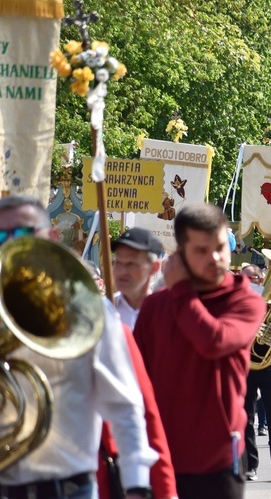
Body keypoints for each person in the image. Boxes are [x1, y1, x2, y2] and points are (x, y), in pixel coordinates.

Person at [0, 195, 157, 499]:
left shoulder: (90, 312)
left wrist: (137, 485)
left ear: (53, 236)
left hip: (70, 489)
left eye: (22, 233)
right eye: (1, 236)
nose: (10, 243)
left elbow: (125, 406)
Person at [134, 203, 267, 496]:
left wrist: (180, 291)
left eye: (220, 247)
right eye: (201, 250)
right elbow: (136, 379)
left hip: (217, 459)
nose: (215, 258)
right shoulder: (155, 307)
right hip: (160, 453)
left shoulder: (246, 301)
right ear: (181, 253)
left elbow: (214, 341)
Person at [112, 228, 163, 330]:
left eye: (131, 264)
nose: (122, 272)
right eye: (117, 263)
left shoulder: (165, 314)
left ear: (154, 267)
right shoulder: (103, 309)